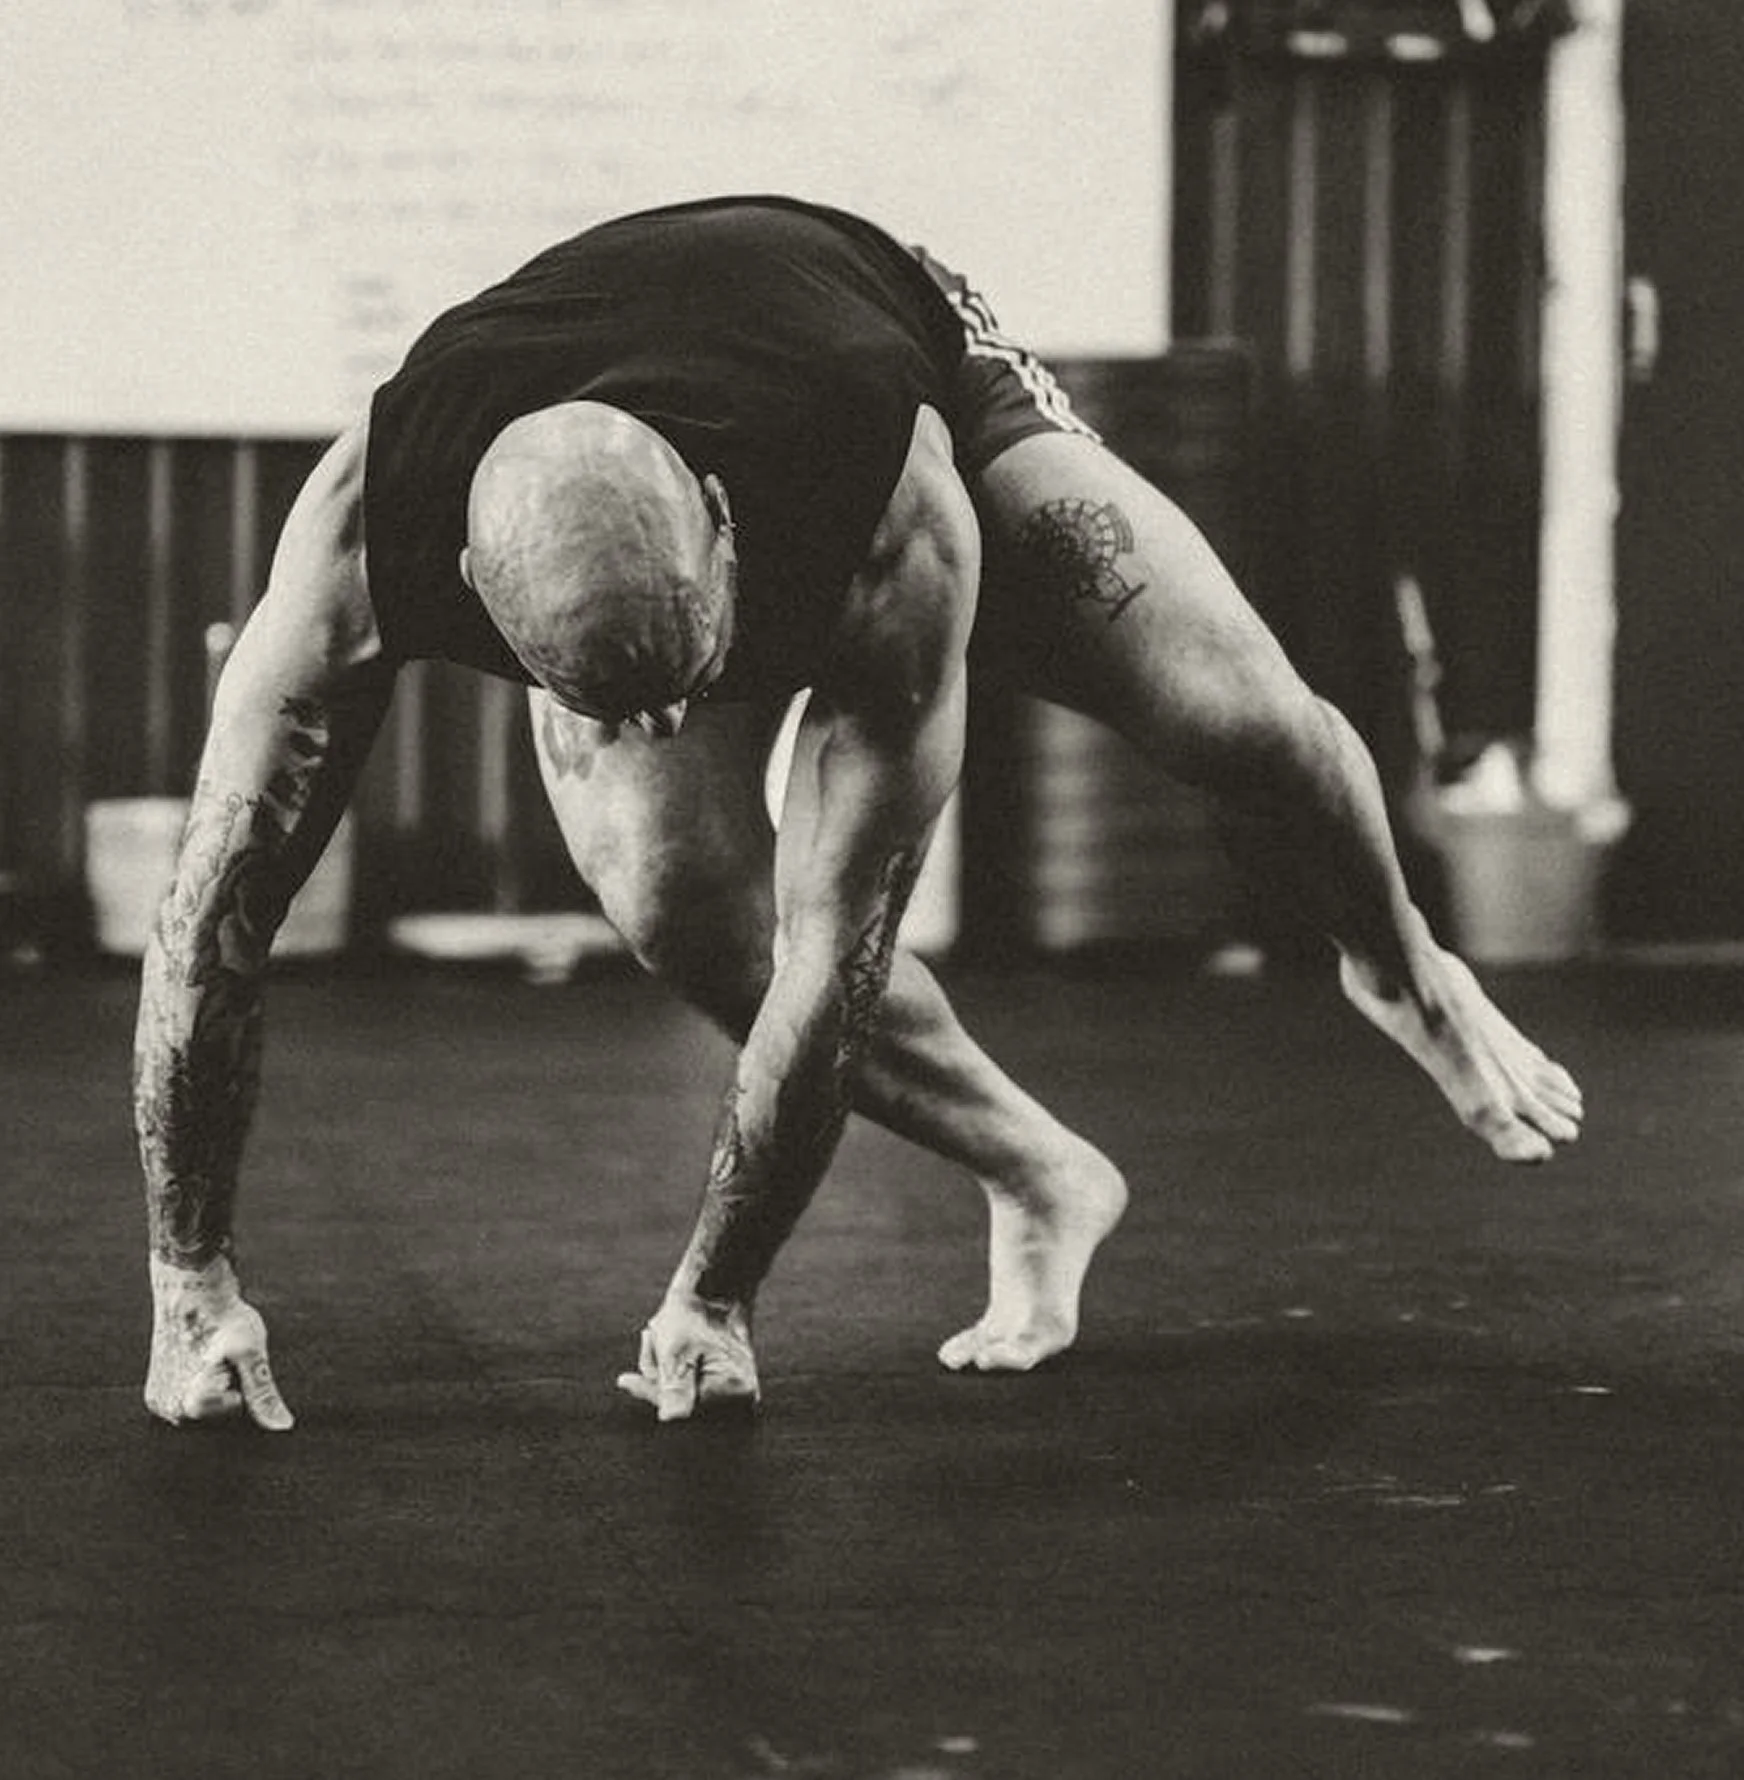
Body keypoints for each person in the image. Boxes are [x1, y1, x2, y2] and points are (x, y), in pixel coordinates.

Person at [133, 195, 1583, 1432]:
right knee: (675, 907)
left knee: (1242, 718)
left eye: (684, 675)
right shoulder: (356, 541)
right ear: (470, 594)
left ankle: (1403, 973)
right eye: (610, 702)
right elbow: (209, 923)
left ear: (713, 514)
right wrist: (187, 1289)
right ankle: (1044, 1174)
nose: (656, 726)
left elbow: (842, 949)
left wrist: (716, 1294)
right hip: (643, 501)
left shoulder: (893, 506)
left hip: (895, 350)